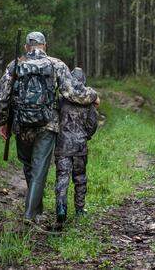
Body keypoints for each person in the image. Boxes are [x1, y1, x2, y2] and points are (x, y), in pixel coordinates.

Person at [0, 31, 99, 222]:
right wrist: (93, 95)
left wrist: (3, 122)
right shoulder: (56, 64)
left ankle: (35, 210)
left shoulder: (15, 65)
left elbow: (1, 96)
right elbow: (72, 92)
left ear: (27, 46)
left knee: (28, 166)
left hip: (21, 123)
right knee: (39, 168)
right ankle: (31, 213)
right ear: (45, 46)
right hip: (47, 124)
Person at [54, 67, 98, 225]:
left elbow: (54, 119)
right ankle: (79, 209)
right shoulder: (88, 101)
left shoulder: (61, 99)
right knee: (80, 179)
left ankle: (61, 209)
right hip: (80, 146)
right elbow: (93, 123)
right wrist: (86, 135)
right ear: (84, 82)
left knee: (62, 178)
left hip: (63, 146)